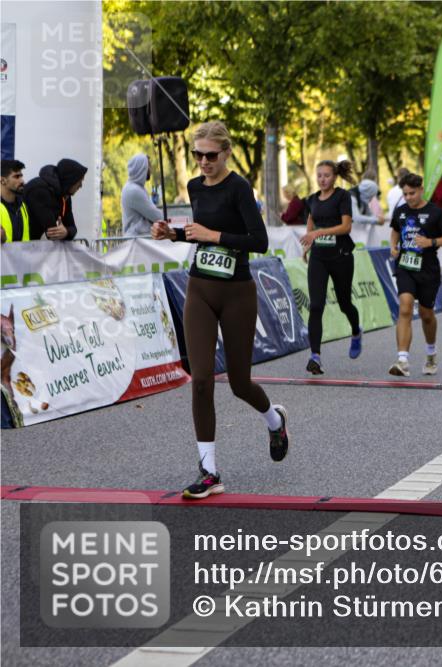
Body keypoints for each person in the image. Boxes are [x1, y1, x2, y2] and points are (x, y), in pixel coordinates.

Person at [150, 121, 288, 500]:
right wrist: (173, 234)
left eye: (211, 155)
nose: (204, 162)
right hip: (200, 289)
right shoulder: (195, 187)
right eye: (197, 155)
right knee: (201, 380)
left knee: (240, 384)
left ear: (226, 152)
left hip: (237, 293)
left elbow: (258, 240)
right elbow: (199, 233)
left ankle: (274, 420)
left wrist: (214, 236)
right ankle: (209, 472)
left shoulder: (239, 187)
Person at [388, 172, 442, 377]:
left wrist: (431, 242)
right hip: (405, 266)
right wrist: (393, 246)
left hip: (428, 269)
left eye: (412, 193)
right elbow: (395, 230)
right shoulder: (400, 211)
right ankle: (402, 360)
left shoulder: (435, 212)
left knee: (427, 315)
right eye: (405, 194)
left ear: (421, 190)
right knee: (405, 307)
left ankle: (431, 353)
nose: (408, 197)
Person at [301, 160, 364, 375]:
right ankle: (315, 357)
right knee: (316, 305)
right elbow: (311, 222)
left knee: (345, 303)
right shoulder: (311, 199)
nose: (322, 179)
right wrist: (308, 244)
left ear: (334, 177)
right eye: (319, 175)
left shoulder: (342, 196)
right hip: (319, 257)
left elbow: (346, 227)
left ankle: (356, 331)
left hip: (341, 256)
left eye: (326, 175)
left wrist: (319, 232)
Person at [24, 158, 87, 241]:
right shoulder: (39, 190)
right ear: (70, 180)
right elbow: (52, 232)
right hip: (20, 243)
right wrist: (64, 231)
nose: (81, 186)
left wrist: (66, 232)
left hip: (31, 243)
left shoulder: (65, 194)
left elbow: (72, 227)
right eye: (79, 181)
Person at [120, 154, 165, 237]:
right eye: (149, 166)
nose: (150, 170)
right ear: (142, 169)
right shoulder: (134, 190)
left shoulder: (135, 187)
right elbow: (158, 217)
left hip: (139, 239)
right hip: (137, 240)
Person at [1, 159, 30, 244]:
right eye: (17, 177)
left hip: (22, 253)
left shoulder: (22, 206)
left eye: (21, 176)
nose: (22, 181)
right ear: (2, 180)